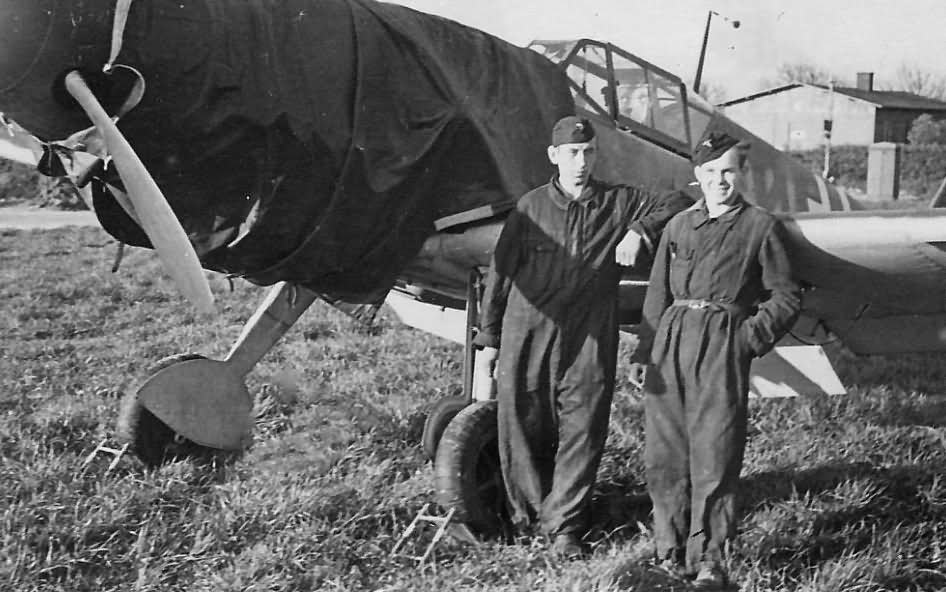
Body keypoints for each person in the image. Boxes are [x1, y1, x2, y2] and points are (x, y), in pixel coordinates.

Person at [474, 115, 692, 557]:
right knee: (522, 422)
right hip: (529, 327)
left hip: (590, 331)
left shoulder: (620, 202)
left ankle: (564, 527)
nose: (581, 161)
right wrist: (490, 339)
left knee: (584, 425)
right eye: (571, 153)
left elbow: (677, 200)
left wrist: (638, 230)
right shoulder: (530, 208)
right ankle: (526, 516)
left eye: (589, 152)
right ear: (554, 156)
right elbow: (499, 275)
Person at [629, 131, 801, 587]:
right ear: (697, 175)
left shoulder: (760, 227)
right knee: (665, 453)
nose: (719, 180)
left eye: (727, 171)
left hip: (722, 342)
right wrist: (645, 351)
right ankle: (669, 551)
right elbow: (657, 294)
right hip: (671, 340)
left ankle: (710, 558)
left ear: (739, 173)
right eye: (710, 172)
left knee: (715, 451)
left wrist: (748, 339)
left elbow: (785, 296)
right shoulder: (678, 227)